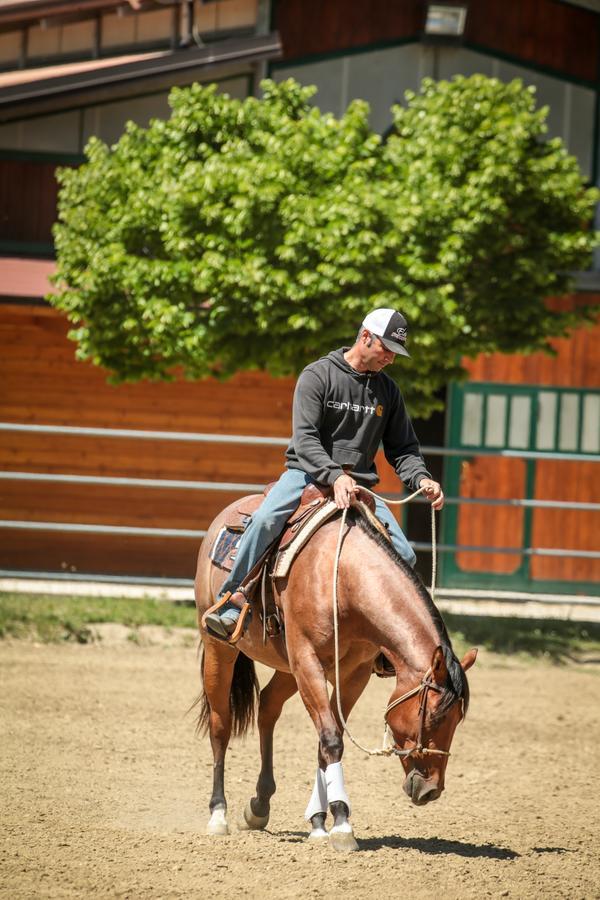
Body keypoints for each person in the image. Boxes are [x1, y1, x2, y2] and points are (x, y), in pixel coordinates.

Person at [203, 308, 444, 641]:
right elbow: (305, 440)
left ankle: (387, 641)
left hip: (359, 486)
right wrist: (334, 475)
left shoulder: (389, 392)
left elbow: (402, 448)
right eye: (385, 348)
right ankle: (231, 601)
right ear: (365, 337)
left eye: (395, 352)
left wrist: (421, 479)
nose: (391, 358)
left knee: (404, 553)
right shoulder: (318, 376)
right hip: (306, 475)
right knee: (266, 520)